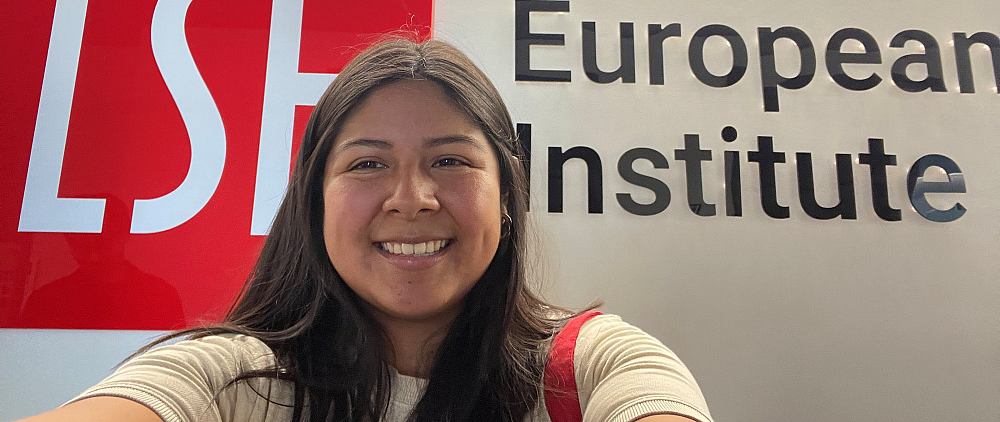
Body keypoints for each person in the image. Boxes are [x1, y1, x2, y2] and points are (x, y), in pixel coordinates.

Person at [19, 38, 713, 422]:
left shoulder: (596, 366)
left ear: (507, 196)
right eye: (368, 164)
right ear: (314, 202)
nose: (411, 199)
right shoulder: (226, 380)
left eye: (450, 160)